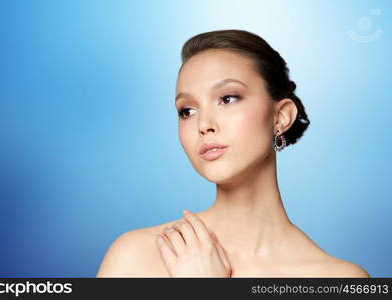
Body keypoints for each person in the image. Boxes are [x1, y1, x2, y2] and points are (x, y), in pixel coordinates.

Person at [96, 29, 370, 277]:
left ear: (281, 117)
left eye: (228, 99)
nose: (204, 125)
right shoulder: (137, 257)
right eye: (187, 111)